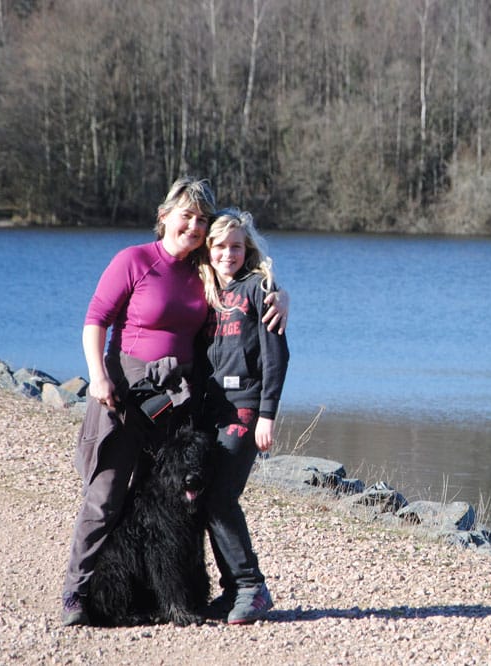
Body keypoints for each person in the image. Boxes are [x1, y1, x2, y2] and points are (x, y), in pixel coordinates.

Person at [61, 177, 287, 626]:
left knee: (164, 505)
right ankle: (77, 592)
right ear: (164, 216)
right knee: (105, 497)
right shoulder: (134, 259)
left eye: (202, 219)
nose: (195, 225)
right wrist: (98, 377)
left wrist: (278, 295)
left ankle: (163, 595)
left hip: (176, 403)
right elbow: (95, 319)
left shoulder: (200, 270)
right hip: (124, 394)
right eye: (187, 215)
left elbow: (242, 276)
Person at [198, 208, 289, 624]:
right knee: (204, 497)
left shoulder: (259, 289)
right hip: (210, 409)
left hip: (247, 406)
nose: (228, 253)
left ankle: (252, 587)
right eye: (219, 246)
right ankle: (232, 589)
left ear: (247, 248)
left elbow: (277, 356)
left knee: (220, 496)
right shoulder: (204, 289)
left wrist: (267, 415)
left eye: (236, 246)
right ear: (208, 249)